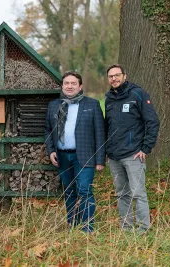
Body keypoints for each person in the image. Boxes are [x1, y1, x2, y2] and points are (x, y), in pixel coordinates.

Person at [45, 71, 105, 232]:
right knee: (69, 191)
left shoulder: (92, 104)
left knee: (84, 190)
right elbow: (48, 130)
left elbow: (100, 132)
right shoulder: (54, 105)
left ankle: (87, 228)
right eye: (66, 83)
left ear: (80, 86)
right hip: (62, 156)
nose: (69, 86)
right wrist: (51, 151)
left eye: (73, 83)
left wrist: (100, 160)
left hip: (85, 156)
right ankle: (73, 224)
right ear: (62, 86)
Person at [105, 64, 160, 233]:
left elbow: (152, 122)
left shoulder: (138, 94)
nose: (114, 78)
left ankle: (143, 229)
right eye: (111, 76)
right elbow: (108, 126)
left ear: (125, 76)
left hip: (134, 154)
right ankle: (126, 228)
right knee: (122, 193)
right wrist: (108, 150)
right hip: (114, 156)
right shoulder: (108, 98)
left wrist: (145, 148)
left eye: (117, 75)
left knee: (138, 193)